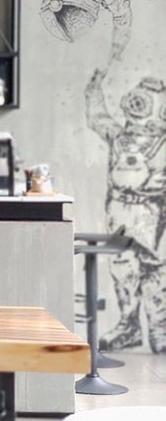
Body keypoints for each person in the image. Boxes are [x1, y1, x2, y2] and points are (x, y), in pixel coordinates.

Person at [86, 69, 166, 352]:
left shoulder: (162, 143)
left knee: (154, 271)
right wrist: (94, 91)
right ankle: (129, 325)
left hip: (151, 213)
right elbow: (98, 118)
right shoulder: (120, 137)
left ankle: (160, 329)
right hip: (119, 210)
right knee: (123, 268)